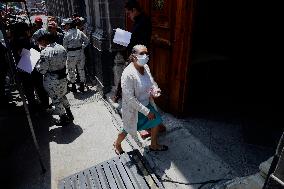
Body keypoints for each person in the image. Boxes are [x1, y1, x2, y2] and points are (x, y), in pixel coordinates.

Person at [113, 45, 168, 154]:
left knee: (156, 121)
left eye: (147, 53)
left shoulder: (146, 67)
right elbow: (129, 98)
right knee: (126, 130)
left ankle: (153, 145)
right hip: (134, 108)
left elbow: (151, 82)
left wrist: (155, 90)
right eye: (142, 54)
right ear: (133, 56)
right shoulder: (128, 74)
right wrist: (146, 112)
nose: (145, 56)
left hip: (147, 104)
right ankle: (117, 143)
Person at [36, 32, 74, 125]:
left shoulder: (45, 52)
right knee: (62, 95)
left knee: (56, 99)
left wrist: (37, 65)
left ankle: (63, 118)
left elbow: (42, 70)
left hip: (52, 80)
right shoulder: (61, 48)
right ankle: (69, 113)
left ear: (45, 40)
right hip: (62, 77)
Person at [63, 19, 89, 93]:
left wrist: (68, 52)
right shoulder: (80, 32)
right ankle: (82, 85)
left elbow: (64, 46)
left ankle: (73, 86)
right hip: (80, 53)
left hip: (71, 54)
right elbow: (87, 41)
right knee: (81, 69)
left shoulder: (67, 34)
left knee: (71, 70)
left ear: (70, 25)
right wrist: (82, 47)